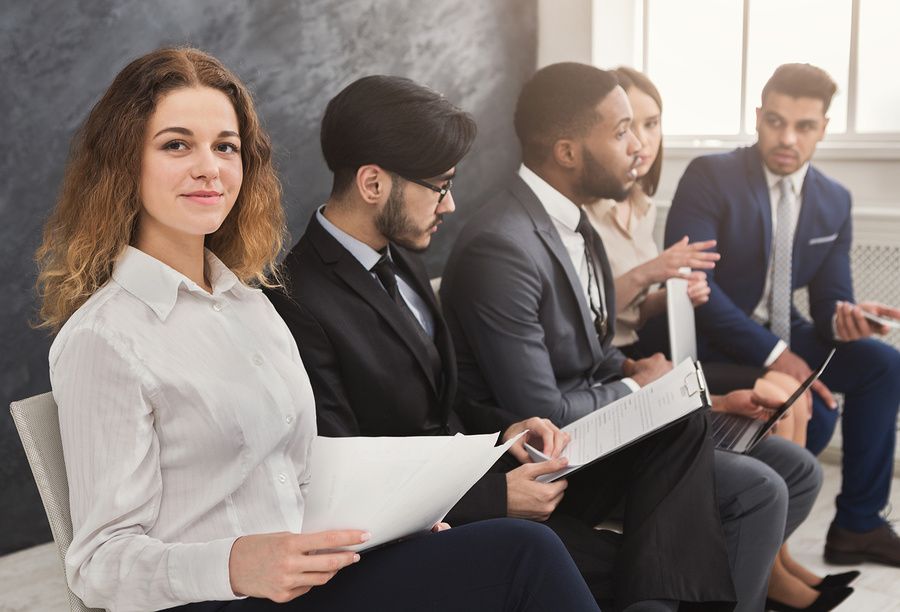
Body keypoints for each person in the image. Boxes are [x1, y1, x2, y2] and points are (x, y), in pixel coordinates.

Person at [35, 47, 600, 612]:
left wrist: (404, 514)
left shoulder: (250, 306)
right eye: (176, 144)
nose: (209, 167)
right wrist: (234, 563)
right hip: (219, 600)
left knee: (525, 549)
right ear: (124, 162)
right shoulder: (104, 338)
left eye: (225, 147)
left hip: (308, 579)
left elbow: (302, 469)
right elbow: (97, 565)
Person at [266, 73, 680, 612]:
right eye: (439, 186)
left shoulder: (403, 261)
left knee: (650, 559)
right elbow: (341, 477)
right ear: (373, 185)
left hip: (464, 484)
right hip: (401, 540)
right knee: (614, 566)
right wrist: (493, 500)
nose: (451, 205)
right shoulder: (299, 299)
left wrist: (506, 430)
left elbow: (444, 403)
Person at [441, 62, 828, 612]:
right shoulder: (501, 246)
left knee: (797, 470)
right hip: (558, 459)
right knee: (758, 491)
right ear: (568, 152)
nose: (638, 149)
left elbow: (596, 357)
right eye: (621, 132)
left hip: (602, 430)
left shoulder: (575, 225)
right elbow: (539, 408)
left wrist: (693, 395)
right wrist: (637, 390)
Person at [586, 66, 855, 612]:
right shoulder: (583, 214)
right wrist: (655, 277)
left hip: (653, 351)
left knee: (801, 395)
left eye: (652, 123)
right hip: (632, 365)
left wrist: (674, 293)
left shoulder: (639, 208)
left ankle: (777, 558)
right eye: (626, 127)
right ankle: (771, 565)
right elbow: (584, 316)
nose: (641, 140)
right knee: (781, 390)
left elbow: (645, 307)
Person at [665, 62, 900, 569]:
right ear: (757, 117)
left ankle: (858, 526)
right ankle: (763, 552)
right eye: (775, 121)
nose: (787, 137)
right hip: (714, 337)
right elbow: (695, 291)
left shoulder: (835, 200)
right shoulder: (711, 174)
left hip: (783, 331)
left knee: (883, 364)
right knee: (816, 409)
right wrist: (782, 358)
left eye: (804, 126)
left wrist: (849, 318)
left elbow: (828, 302)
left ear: (823, 129)